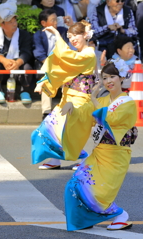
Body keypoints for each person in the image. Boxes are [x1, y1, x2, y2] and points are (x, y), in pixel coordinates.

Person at [60, 59, 138, 231]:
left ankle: (119, 215)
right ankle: (84, 220)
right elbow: (85, 112)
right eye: (104, 77)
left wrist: (94, 98)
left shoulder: (128, 102)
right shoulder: (103, 100)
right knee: (77, 184)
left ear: (121, 78)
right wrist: (72, 107)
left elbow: (111, 119)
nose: (108, 81)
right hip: (99, 153)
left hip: (116, 155)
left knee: (99, 192)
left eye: (112, 76)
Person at [31, 20, 97, 169]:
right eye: (69, 36)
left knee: (67, 131)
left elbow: (66, 58)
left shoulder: (88, 53)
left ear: (85, 35)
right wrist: (43, 81)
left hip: (80, 101)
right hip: (67, 99)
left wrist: (56, 34)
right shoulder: (77, 55)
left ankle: (83, 157)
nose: (72, 39)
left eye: (75, 36)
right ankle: (54, 159)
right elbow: (60, 70)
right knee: (46, 129)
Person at [33, 9, 69, 120]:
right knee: (46, 80)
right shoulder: (38, 35)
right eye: (53, 20)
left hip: (63, 65)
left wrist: (71, 24)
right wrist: (52, 66)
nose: (56, 22)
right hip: (47, 65)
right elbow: (39, 54)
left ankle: (66, 108)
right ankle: (46, 112)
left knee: (69, 79)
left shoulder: (63, 31)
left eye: (56, 19)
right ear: (44, 23)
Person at [0, 0, 34, 104]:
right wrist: (3, 60)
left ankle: (25, 91)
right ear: (2, 24)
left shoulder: (24, 35)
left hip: (18, 66)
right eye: (10, 22)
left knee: (27, 67)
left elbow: (27, 52)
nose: (14, 24)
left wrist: (18, 62)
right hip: (3, 68)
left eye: (15, 21)